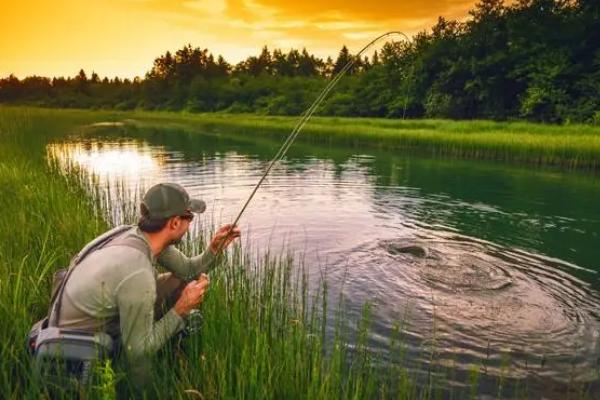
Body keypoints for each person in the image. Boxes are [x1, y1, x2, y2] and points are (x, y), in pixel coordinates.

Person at [53, 182, 240, 383]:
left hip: (86, 315)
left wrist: (214, 249)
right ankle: (140, 390)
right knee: (141, 354)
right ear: (175, 223)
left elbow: (187, 271)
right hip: (78, 346)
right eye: (189, 218)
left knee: (180, 281)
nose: (190, 224)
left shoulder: (136, 235)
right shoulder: (137, 272)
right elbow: (137, 351)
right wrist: (181, 308)